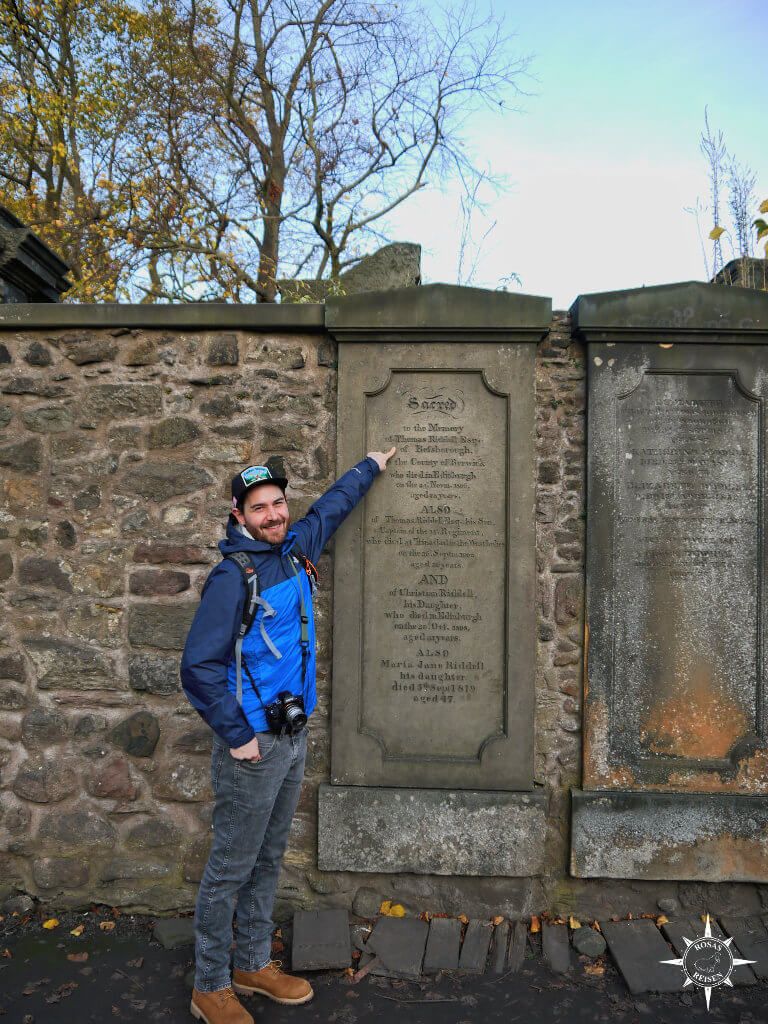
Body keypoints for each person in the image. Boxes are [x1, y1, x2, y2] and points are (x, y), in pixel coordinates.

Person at [181, 447, 396, 1024]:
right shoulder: (233, 577)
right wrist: (236, 734)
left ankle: (252, 964)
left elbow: (333, 506)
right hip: (252, 744)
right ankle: (209, 985)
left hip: (292, 734)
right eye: (260, 508)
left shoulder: (295, 549)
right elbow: (197, 667)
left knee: (269, 857)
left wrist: (370, 466)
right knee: (231, 864)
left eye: (278, 504)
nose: (273, 515)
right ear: (238, 513)